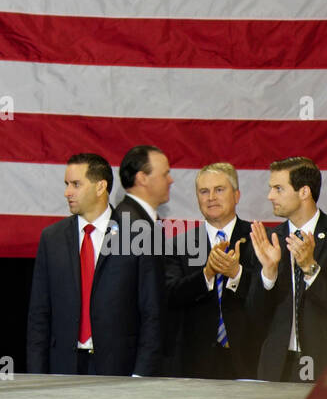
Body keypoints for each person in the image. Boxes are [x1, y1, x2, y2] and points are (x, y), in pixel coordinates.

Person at [26, 153, 162, 375]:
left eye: (76, 184)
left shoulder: (139, 236)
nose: (67, 192)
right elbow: (38, 315)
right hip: (62, 369)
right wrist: (36, 375)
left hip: (119, 371)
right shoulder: (52, 238)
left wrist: (141, 376)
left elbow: (152, 313)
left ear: (101, 187)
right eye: (67, 184)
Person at [247, 157, 327, 382]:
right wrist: (268, 275)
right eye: (270, 188)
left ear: (304, 192)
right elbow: (255, 316)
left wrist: (310, 268)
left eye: (278, 189)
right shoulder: (271, 240)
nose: (270, 196)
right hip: (278, 363)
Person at [163, 163, 261, 378]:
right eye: (204, 191)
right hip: (194, 362)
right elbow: (170, 295)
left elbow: (271, 295)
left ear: (236, 195)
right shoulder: (179, 244)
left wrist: (236, 274)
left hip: (249, 359)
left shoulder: (259, 239)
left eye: (219, 189)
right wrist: (206, 274)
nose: (211, 197)